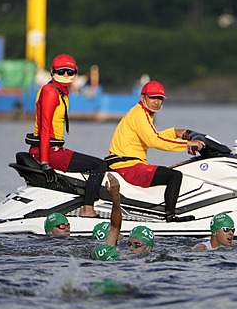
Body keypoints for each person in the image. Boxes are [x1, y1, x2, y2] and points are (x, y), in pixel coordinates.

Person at [107, 80, 205, 223]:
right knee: (174, 176)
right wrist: (188, 144)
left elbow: (153, 136)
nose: (157, 102)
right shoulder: (140, 114)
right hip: (128, 166)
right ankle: (170, 217)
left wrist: (175, 132)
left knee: (170, 172)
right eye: (153, 98)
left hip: (128, 163)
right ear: (142, 98)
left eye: (160, 98)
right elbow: (155, 141)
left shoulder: (143, 113)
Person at [27, 54, 107, 217]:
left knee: (100, 164)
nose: (65, 75)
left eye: (70, 72)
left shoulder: (62, 91)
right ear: (52, 71)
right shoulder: (50, 92)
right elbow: (44, 128)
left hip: (55, 149)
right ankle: (88, 210)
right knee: (99, 166)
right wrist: (45, 163)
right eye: (61, 71)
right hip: (45, 151)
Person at [92, 173, 125, 260]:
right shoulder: (109, 250)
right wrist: (116, 199)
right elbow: (115, 227)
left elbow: (115, 228)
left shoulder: (101, 252)